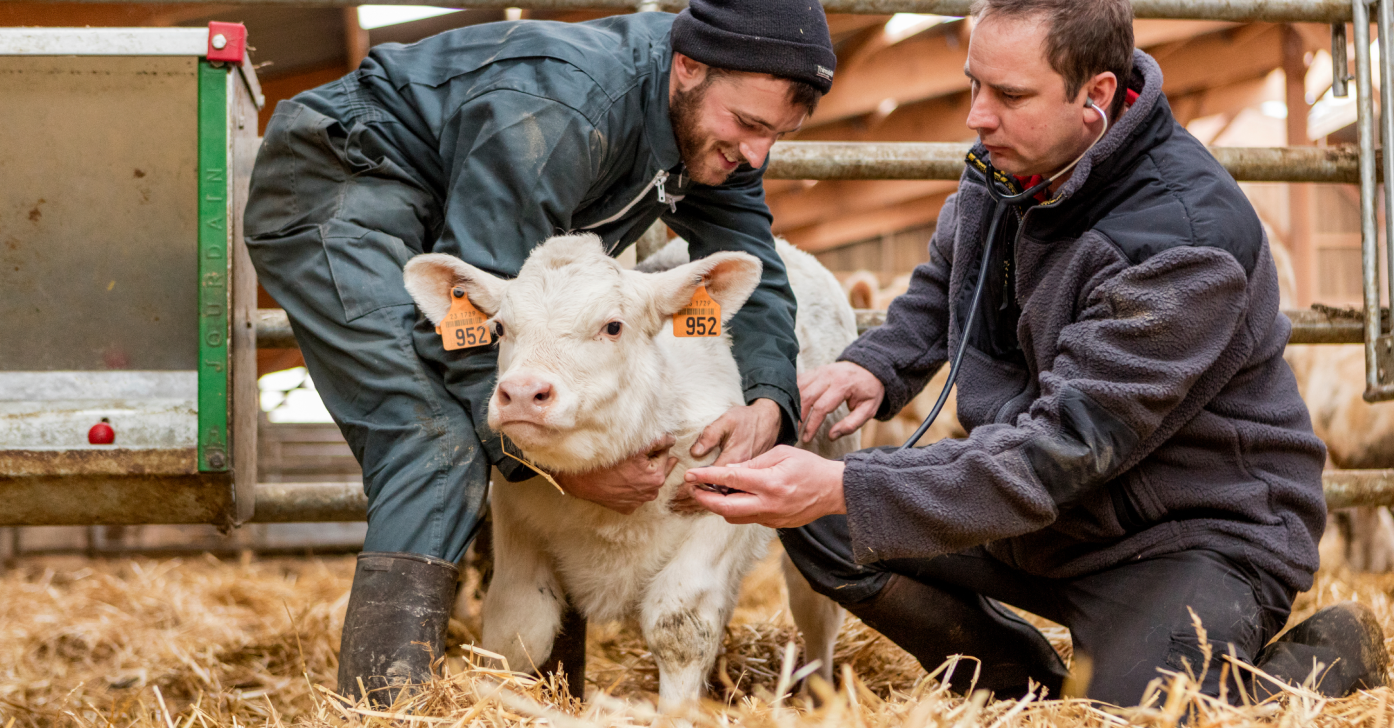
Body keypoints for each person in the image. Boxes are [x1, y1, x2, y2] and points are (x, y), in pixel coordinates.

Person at [687, 0, 1389, 706]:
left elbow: (1061, 451)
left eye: (1009, 95)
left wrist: (845, 484)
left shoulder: (1183, 243)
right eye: (974, 85)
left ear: (1096, 97)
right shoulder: (1010, 165)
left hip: (1184, 533)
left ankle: (1324, 658)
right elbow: (944, 287)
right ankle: (1020, 692)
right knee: (821, 524)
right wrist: (874, 365)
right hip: (1041, 510)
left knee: (1138, 715)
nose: (977, 116)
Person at [243, 0, 836, 702]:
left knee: (544, 419)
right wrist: (556, 473)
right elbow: (483, 348)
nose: (756, 156)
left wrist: (770, 402)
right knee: (432, 433)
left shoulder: (711, 117)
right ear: (688, 69)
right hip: (345, 179)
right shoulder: (563, 110)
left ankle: (546, 701)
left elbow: (748, 262)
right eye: (748, 125)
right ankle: (386, 707)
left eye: (778, 135)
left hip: (453, 205)